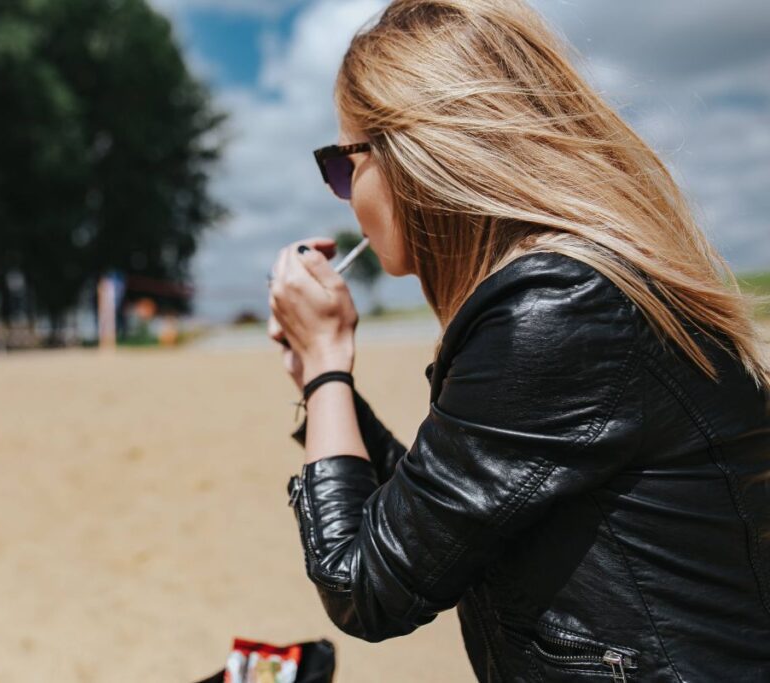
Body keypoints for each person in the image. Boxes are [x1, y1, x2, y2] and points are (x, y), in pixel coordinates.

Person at [265, 1, 770, 681]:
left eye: (341, 162)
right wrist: (321, 385)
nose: (342, 193)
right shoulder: (585, 291)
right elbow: (434, 515)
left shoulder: (559, 312)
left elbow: (366, 585)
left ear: (414, 155)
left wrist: (328, 363)